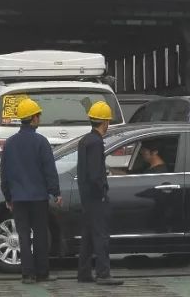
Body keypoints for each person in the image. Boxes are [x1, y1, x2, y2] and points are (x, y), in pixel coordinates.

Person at [0, 98, 61, 285]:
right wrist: (55, 192)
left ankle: (27, 274)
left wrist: (8, 196)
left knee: (24, 236)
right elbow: (49, 170)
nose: (39, 118)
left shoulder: (10, 143)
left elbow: (5, 173)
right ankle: (42, 273)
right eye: (38, 115)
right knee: (41, 235)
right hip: (38, 198)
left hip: (18, 198)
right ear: (33, 118)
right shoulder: (41, 142)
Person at [76, 101, 122, 286]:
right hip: (96, 197)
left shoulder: (85, 140)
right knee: (101, 236)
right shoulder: (96, 143)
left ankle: (84, 272)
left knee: (88, 235)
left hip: (86, 196)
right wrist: (102, 190)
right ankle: (103, 273)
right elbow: (95, 173)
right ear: (105, 122)